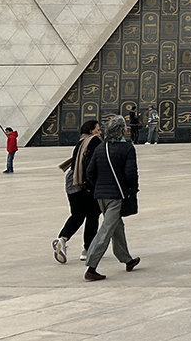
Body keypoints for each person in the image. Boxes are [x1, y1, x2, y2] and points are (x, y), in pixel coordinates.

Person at [83, 115, 140, 281]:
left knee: (117, 226)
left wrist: (99, 187)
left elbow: (90, 172)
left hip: (100, 196)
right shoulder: (127, 148)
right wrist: (132, 190)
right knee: (107, 229)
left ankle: (127, 260)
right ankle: (91, 266)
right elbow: (130, 174)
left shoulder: (101, 148)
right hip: (116, 195)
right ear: (122, 131)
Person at [54, 120, 101, 264]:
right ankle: (87, 249)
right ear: (92, 131)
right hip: (85, 183)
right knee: (93, 215)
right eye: (98, 129)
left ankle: (62, 239)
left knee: (77, 215)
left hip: (72, 183)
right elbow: (94, 163)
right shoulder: (94, 141)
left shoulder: (80, 142)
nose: (100, 132)